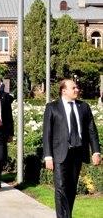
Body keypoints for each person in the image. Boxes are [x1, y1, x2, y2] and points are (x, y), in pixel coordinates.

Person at [43, 79, 101, 218]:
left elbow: (92, 131)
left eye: (77, 87)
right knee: (60, 188)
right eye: (73, 87)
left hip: (77, 153)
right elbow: (47, 133)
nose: (77, 89)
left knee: (71, 189)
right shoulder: (52, 107)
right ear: (64, 90)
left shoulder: (84, 107)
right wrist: (48, 156)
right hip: (59, 154)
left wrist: (96, 151)